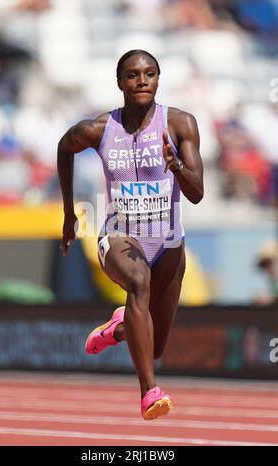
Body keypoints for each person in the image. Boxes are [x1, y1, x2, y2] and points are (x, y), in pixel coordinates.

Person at [57, 50, 204, 420]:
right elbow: (64, 147)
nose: (142, 80)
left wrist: (178, 167)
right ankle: (148, 392)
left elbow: (197, 193)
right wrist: (68, 213)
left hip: (169, 242)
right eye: (133, 75)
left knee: (152, 347)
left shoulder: (181, 124)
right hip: (119, 237)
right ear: (120, 82)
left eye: (150, 74)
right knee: (138, 280)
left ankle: (123, 325)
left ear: (158, 79)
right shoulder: (100, 128)